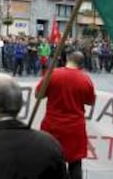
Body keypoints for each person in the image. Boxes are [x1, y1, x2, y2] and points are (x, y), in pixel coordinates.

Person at [36, 51, 96, 179]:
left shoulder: (53, 74)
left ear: (67, 59)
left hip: (52, 126)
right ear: (81, 65)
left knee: (50, 162)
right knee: (75, 163)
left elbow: (38, 95)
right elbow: (90, 101)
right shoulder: (85, 79)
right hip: (75, 128)